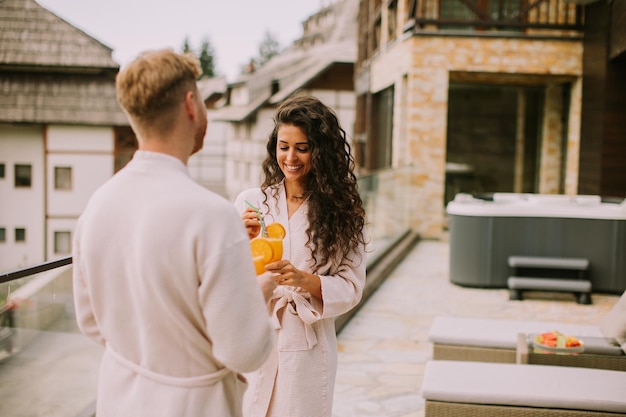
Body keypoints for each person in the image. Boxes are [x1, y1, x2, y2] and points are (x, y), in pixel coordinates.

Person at [72, 49, 275, 417]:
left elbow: (90, 322)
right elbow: (244, 351)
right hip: (195, 406)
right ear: (191, 105)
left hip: (119, 398)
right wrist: (260, 293)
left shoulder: (96, 207)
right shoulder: (213, 216)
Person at [234, 95, 368, 417]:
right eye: (283, 146)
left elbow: (352, 286)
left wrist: (305, 281)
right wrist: (239, 240)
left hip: (307, 341)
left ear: (320, 151)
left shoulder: (341, 212)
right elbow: (226, 277)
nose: (290, 157)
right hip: (259, 334)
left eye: (302, 148)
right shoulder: (252, 203)